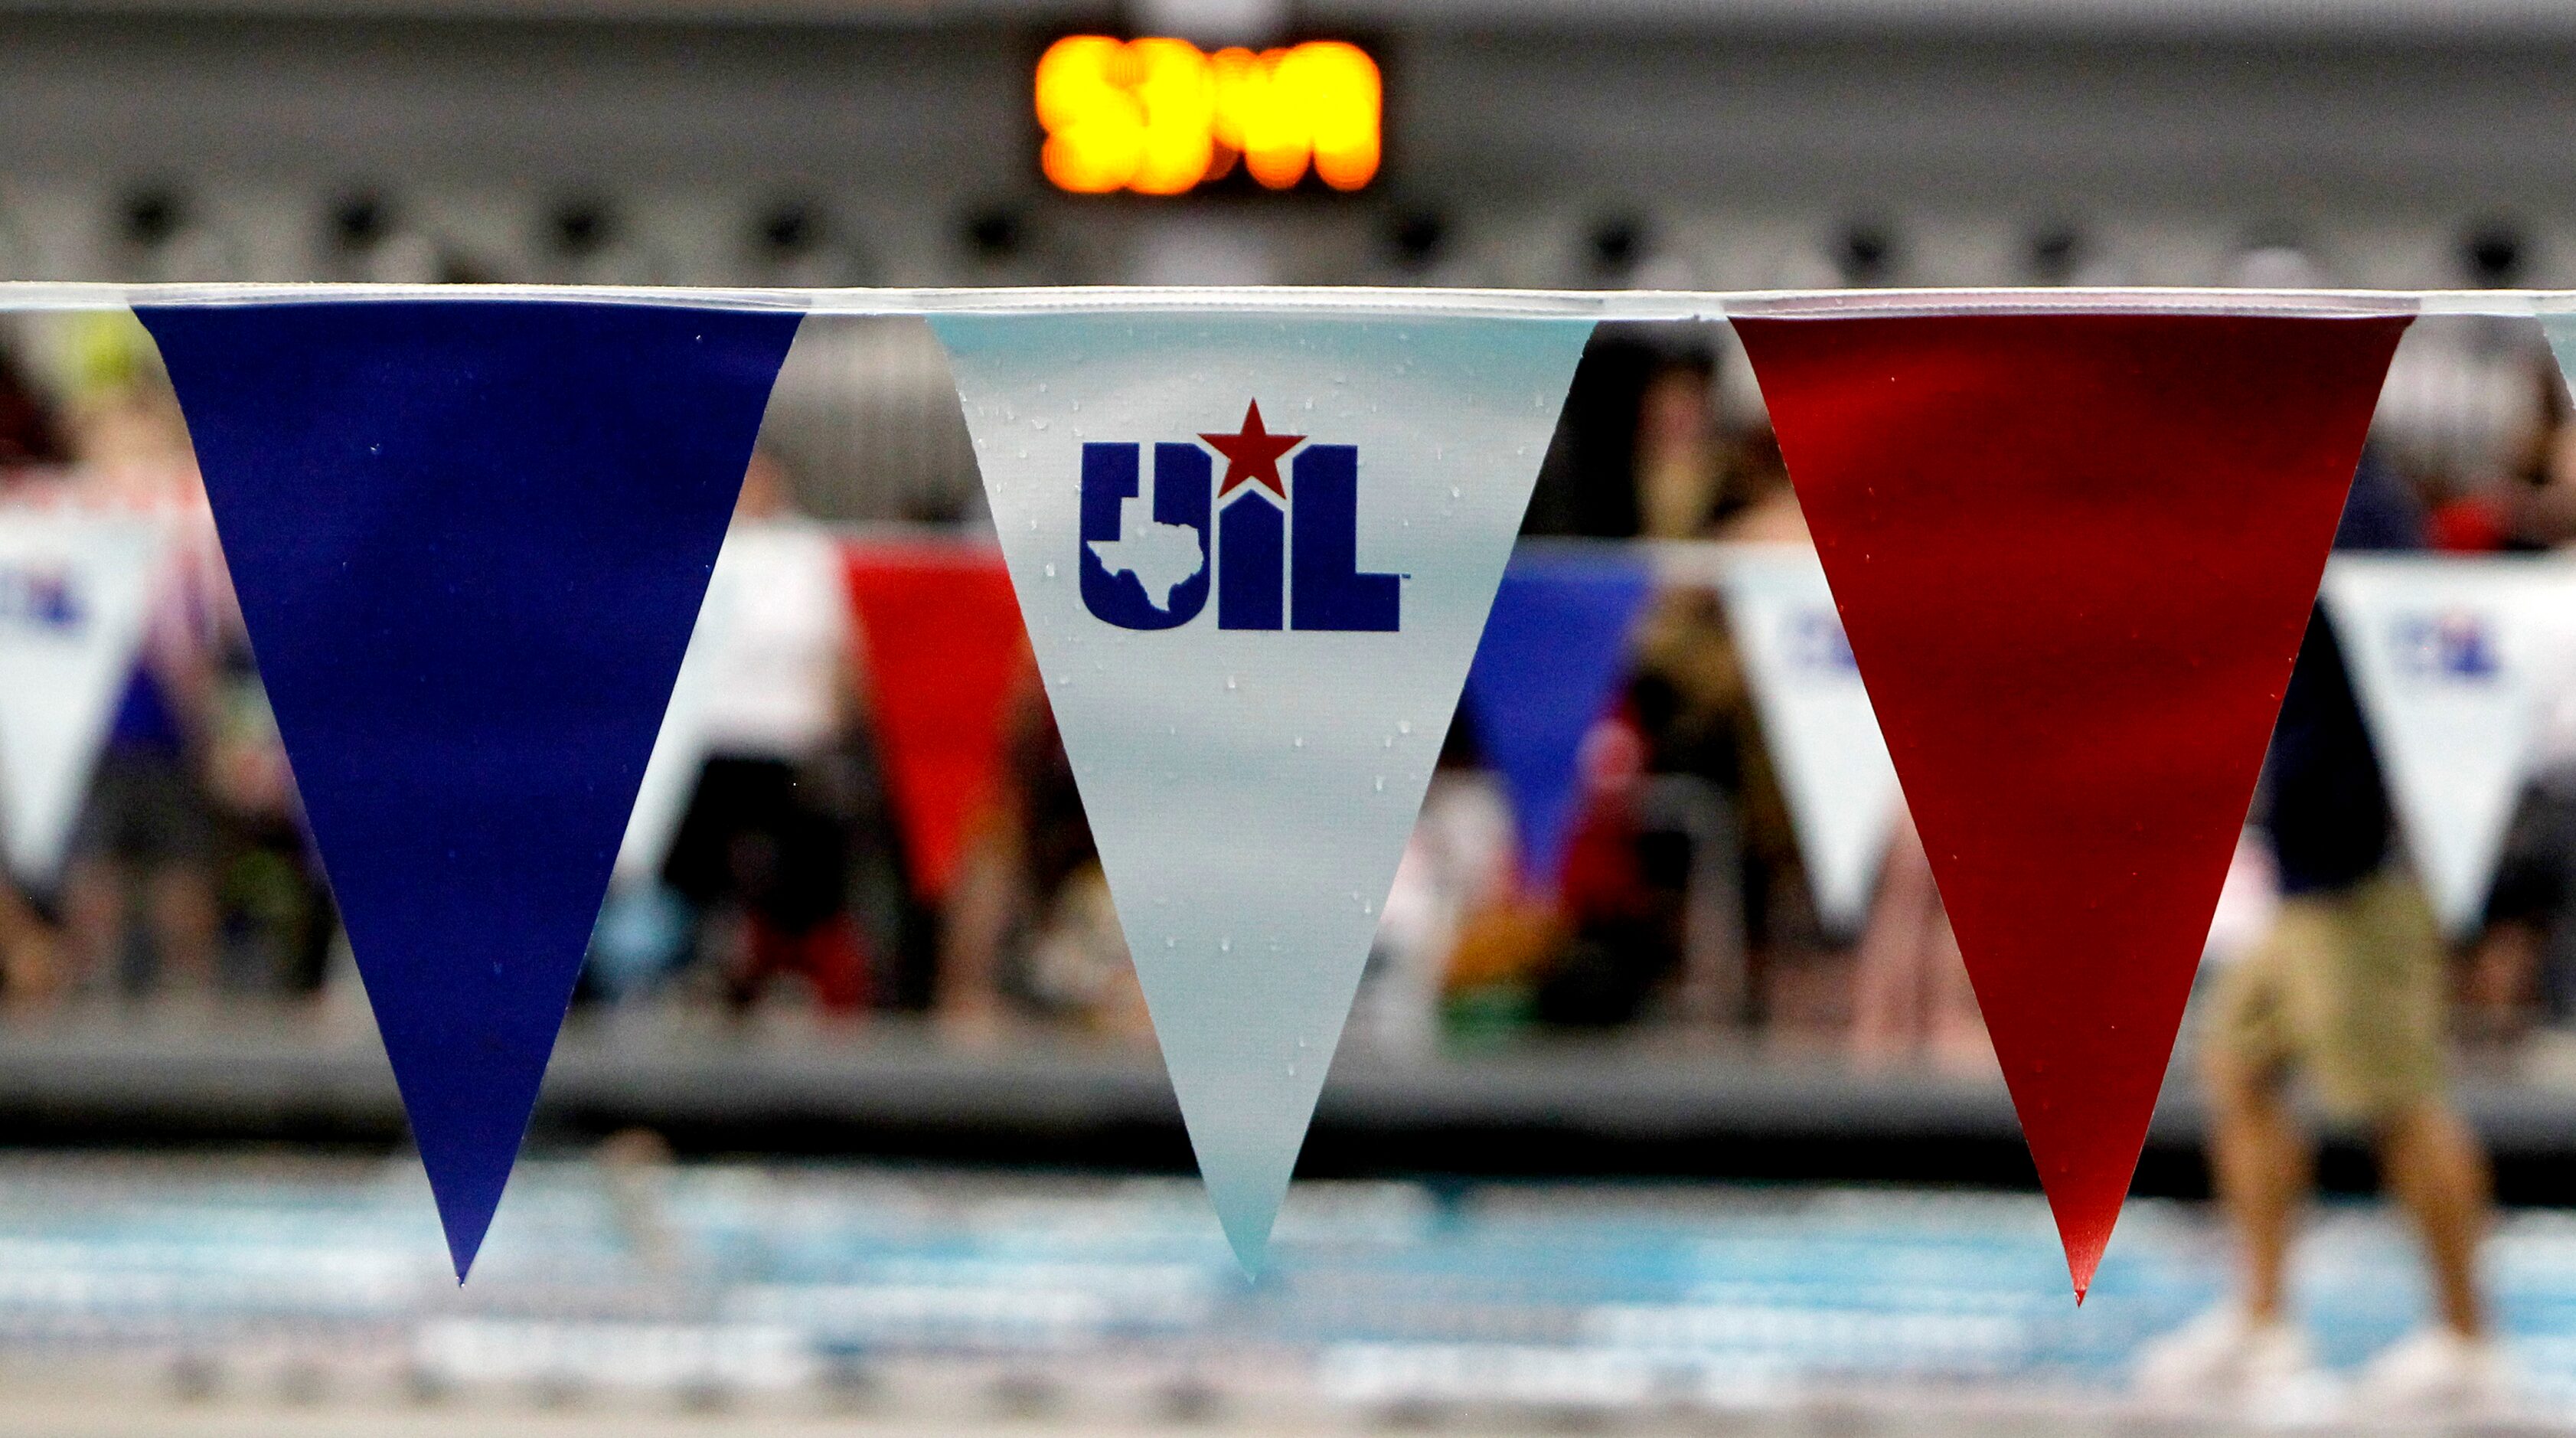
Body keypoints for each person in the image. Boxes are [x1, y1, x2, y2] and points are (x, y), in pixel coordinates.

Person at [2137, 450, 2506, 1417]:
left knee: (2397, 1099)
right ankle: (2262, 1321)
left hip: (2357, 866)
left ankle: (2468, 1339)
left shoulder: (2361, 511)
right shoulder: (2295, 493)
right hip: (2306, 859)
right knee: (2236, 1064)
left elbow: (2408, 680)